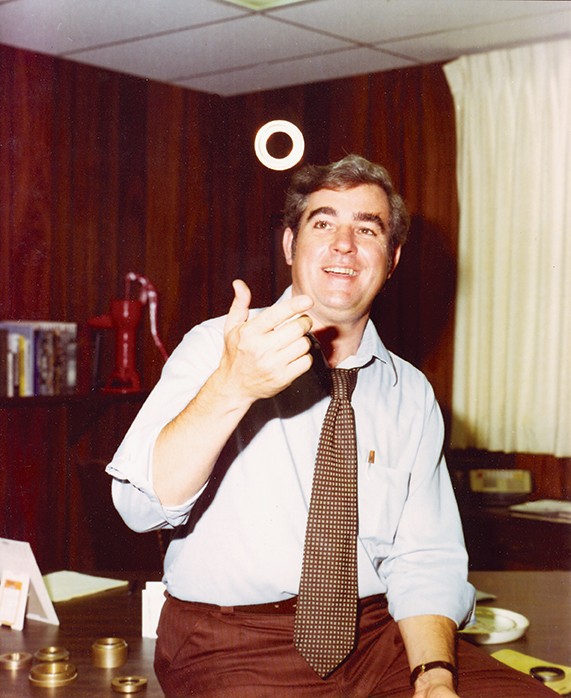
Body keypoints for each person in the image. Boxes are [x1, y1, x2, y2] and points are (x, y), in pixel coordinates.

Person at [107, 155, 552, 697]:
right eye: (323, 223)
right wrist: (234, 385)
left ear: (391, 259)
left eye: (367, 229)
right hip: (231, 641)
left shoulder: (410, 394)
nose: (345, 243)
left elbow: (425, 559)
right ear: (292, 245)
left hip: (378, 638)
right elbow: (139, 507)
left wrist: (434, 679)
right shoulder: (217, 346)